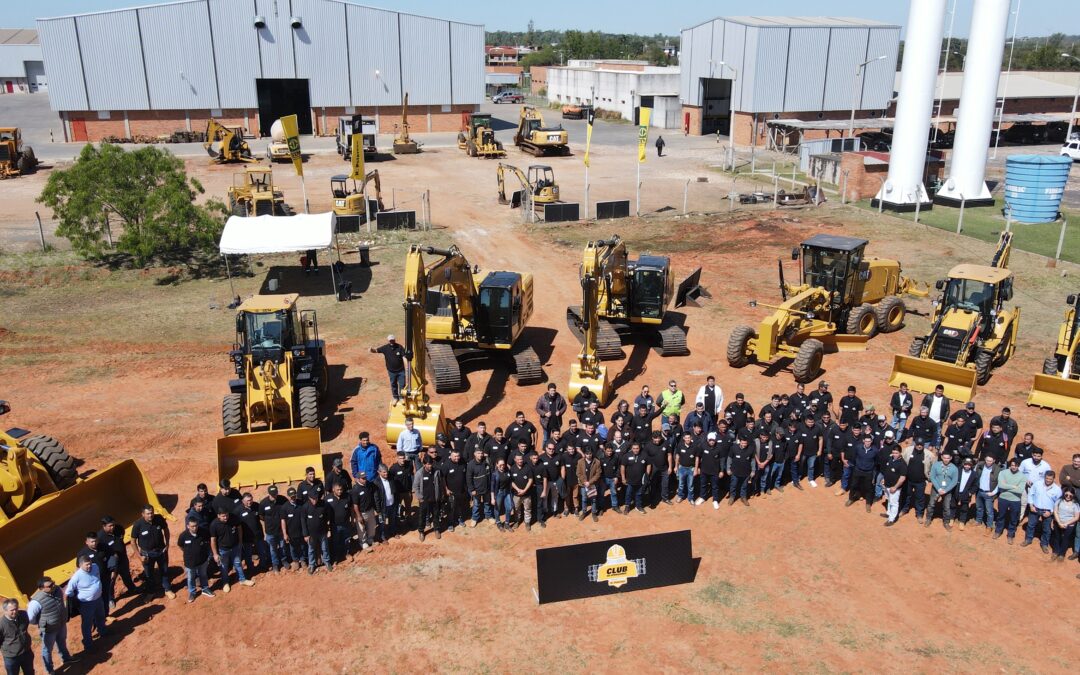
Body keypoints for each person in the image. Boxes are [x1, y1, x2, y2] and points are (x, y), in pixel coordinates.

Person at [27, 577, 76, 674]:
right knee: (47, 650)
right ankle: (49, 669)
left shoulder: (57, 589)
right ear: (41, 588)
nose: (53, 586)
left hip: (61, 623)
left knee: (62, 641)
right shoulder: (36, 601)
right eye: (49, 586)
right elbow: (31, 618)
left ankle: (66, 658)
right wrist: (41, 622)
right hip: (49, 629)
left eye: (53, 583)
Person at [65, 556, 107, 653]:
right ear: (80, 565)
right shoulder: (76, 577)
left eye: (90, 564)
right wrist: (76, 601)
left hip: (98, 599)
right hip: (86, 604)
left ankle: (103, 631)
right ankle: (88, 643)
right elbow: (69, 592)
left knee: (100, 616)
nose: (89, 566)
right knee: (87, 624)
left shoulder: (95, 566)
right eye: (87, 565)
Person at [131, 505, 174, 598]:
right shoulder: (138, 525)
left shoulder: (159, 519)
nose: (151, 515)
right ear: (143, 514)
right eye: (148, 514)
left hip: (161, 551)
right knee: (149, 574)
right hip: (147, 554)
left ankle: (167, 589)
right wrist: (139, 556)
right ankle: (151, 592)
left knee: (164, 571)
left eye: (152, 513)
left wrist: (167, 544)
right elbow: (133, 541)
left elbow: (166, 530)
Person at [209, 507, 254, 592]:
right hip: (223, 550)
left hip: (235, 547)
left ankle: (242, 579)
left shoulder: (234, 518)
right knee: (224, 567)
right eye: (223, 516)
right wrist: (215, 554)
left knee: (238, 563)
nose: (225, 517)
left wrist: (240, 541)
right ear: (218, 516)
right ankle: (225, 583)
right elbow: (213, 540)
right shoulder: (214, 525)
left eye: (226, 515)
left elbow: (239, 528)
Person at [97, 515, 137, 602]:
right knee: (111, 581)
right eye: (110, 526)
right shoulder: (100, 538)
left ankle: (132, 588)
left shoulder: (119, 529)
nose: (113, 527)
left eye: (113, 525)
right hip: (111, 564)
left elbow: (121, 536)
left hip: (123, 558)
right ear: (104, 526)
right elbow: (100, 554)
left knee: (126, 574)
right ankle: (110, 599)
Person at [176, 518, 214, 603]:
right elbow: (180, 546)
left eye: (196, 525)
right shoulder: (183, 536)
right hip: (190, 562)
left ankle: (205, 589)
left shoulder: (203, 532)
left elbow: (207, 543)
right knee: (191, 578)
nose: (195, 528)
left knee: (203, 575)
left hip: (202, 560)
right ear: (188, 526)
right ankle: (192, 592)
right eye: (192, 526)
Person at [1023, 471, 1061, 553]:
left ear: (1053, 479)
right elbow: (1031, 494)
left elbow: (1058, 503)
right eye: (1046, 478)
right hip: (1035, 508)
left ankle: (1044, 544)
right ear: (1044, 477)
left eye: (1050, 479)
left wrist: (1051, 512)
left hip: (1048, 512)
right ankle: (1028, 539)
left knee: (1047, 529)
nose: (1048, 480)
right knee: (1030, 525)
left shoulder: (1057, 490)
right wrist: (1031, 505)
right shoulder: (1037, 484)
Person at [994, 458, 1026, 543]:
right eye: (1012, 465)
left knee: (1014, 518)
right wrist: (1013, 486)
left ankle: (1010, 534)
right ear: (1010, 465)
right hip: (1003, 498)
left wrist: (1006, 486)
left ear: (1018, 466)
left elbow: (1020, 490)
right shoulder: (1003, 473)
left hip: (1015, 500)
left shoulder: (1023, 476)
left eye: (1016, 465)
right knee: (1001, 515)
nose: (1014, 467)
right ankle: (998, 531)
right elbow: (1000, 485)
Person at [300, 488, 332, 573]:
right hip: (311, 534)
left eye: (316, 498)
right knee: (311, 550)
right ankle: (311, 565)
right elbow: (303, 521)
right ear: (309, 498)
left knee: (325, 548)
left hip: (322, 532)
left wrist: (328, 530)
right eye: (313, 499)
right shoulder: (305, 507)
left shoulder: (324, 504)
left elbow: (328, 518)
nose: (315, 500)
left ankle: (327, 562)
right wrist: (305, 534)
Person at [413, 456, 444, 541]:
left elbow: (440, 483)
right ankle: (421, 531)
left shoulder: (436, 471)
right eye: (428, 464)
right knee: (422, 516)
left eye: (431, 464)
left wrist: (440, 495)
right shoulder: (419, 473)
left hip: (435, 499)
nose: (430, 466)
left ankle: (436, 529)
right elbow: (416, 486)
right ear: (424, 464)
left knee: (436, 515)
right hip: (424, 500)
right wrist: (420, 497)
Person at [926, 450, 959, 530]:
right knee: (931, 504)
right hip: (936, 488)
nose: (946, 460)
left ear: (951, 458)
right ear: (941, 457)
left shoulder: (954, 468)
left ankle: (946, 522)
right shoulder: (936, 465)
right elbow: (932, 477)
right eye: (944, 458)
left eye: (948, 458)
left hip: (947, 491)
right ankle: (928, 519)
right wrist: (938, 488)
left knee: (947, 507)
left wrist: (946, 490)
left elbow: (954, 481)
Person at [847, 435, 880, 512]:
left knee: (868, 488)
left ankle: (868, 503)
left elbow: (876, 461)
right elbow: (854, 457)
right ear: (863, 441)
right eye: (866, 441)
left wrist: (870, 467)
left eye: (869, 441)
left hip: (869, 472)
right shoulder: (858, 447)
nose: (867, 443)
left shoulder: (875, 450)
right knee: (853, 485)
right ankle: (851, 499)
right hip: (857, 470)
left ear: (871, 441)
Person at [259, 484, 287, 573]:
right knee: (273, 549)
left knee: (283, 547)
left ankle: (284, 560)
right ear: (269, 494)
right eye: (272, 494)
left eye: (275, 494)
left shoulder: (282, 500)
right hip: (270, 531)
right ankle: (275, 564)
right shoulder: (263, 503)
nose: (274, 496)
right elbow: (261, 516)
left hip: (281, 530)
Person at [1, 598, 34, 675]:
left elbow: (26, 626)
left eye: (16, 609)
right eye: (12, 610)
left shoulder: (23, 614)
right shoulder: (1, 625)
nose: (15, 611)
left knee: (30, 672)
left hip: (26, 652)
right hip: (12, 657)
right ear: (5, 611)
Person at [370, 335, 407, 403]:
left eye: (392, 340)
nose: (391, 341)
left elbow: (404, 357)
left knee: (402, 384)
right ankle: (395, 398)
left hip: (401, 371)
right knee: (393, 384)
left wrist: (407, 366)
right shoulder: (385, 348)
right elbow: (376, 350)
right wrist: (371, 350)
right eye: (390, 340)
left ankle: (402, 398)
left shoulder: (400, 347)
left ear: (394, 340)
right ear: (388, 341)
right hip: (391, 371)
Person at [233, 492, 263, 575]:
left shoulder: (256, 506)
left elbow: (261, 516)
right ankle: (250, 569)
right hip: (246, 537)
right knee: (248, 554)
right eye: (247, 501)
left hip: (258, 534)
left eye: (251, 500)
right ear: (243, 501)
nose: (249, 502)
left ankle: (263, 566)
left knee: (261, 551)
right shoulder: (238, 511)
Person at [325, 482, 355, 560]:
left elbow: (351, 508)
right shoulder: (327, 499)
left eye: (341, 490)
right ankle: (336, 557)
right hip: (334, 525)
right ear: (333, 489)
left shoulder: (347, 496)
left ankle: (347, 553)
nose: (339, 491)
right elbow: (324, 512)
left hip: (345, 523)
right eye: (337, 490)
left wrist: (352, 519)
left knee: (346, 539)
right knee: (336, 541)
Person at [902, 441, 929, 522]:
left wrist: (928, 478)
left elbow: (932, 466)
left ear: (924, 445)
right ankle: (904, 509)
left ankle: (919, 514)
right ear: (915, 444)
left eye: (921, 445)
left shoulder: (928, 454)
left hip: (921, 481)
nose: (919, 446)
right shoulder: (907, 450)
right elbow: (903, 462)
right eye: (918, 444)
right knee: (906, 495)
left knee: (920, 498)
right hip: (908, 480)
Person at [280, 487, 306, 571]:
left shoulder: (301, 504)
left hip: (302, 531)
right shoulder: (284, 507)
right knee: (293, 548)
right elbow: (283, 521)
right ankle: (295, 561)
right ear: (288, 496)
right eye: (291, 496)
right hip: (291, 532)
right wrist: (285, 534)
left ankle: (303, 560)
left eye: (294, 496)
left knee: (302, 546)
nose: (293, 498)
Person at [350, 472, 378, 551]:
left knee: (372, 526)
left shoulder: (369, 485)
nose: (365, 479)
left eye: (365, 478)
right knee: (361, 528)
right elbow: (355, 505)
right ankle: (363, 542)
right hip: (362, 512)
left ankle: (370, 539)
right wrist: (358, 516)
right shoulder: (355, 489)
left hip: (370, 510)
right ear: (358, 479)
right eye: (363, 478)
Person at [466, 447, 494, 527]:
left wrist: (491, 486)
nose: (480, 455)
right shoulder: (471, 464)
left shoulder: (487, 461)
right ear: (474, 454)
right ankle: (475, 518)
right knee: (476, 504)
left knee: (487, 503)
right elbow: (468, 478)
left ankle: (488, 516)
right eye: (478, 453)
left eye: (481, 453)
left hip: (487, 488)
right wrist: (472, 489)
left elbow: (492, 473)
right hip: (476, 489)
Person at [620, 442, 651, 514]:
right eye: (634, 448)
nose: (635, 450)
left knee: (639, 494)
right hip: (629, 480)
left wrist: (647, 474)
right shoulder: (626, 456)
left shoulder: (644, 455)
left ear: (639, 448)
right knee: (628, 494)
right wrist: (623, 478)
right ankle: (627, 506)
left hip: (640, 480)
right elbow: (622, 467)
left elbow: (649, 464)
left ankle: (638, 506)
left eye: (637, 448)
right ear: (631, 448)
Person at [881, 444, 907, 526]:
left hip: (894, 487)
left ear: (900, 453)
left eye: (896, 453)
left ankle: (892, 519)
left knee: (894, 503)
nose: (894, 454)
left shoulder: (902, 464)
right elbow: (887, 470)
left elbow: (902, 478)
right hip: (887, 485)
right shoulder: (890, 458)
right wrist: (884, 479)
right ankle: (888, 513)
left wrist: (895, 487)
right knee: (889, 500)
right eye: (893, 453)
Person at [975, 455, 1001, 534]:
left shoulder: (998, 469)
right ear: (985, 460)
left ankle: (989, 526)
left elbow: (999, 483)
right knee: (979, 508)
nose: (988, 462)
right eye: (987, 460)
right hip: (979, 491)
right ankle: (978, 521)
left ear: (994, 461)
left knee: (989, 511)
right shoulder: (980, 466)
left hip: (989, 493)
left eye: (990, 461)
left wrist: (993, 493)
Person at [387, 451, 414, 529]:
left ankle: (408, 522)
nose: (402, 460)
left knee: (408, 508)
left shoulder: (409, 465)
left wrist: (410, 490)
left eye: (403, 458)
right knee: (396, 509)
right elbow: (390, 481)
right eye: (400, 458)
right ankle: (397, 524)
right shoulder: (393, 469)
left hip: (407, 492)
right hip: (398, 493)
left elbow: (411, 475)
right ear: (397, 458)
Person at [509, 452, 535, 531]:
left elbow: (530, 480)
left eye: (521, 459)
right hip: (516, 494)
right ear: (515, 460)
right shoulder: (512, 469)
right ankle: (517, 521)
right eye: (518, 459)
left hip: (526, 494)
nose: (520, 461)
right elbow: (511, 481)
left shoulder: (527, 468)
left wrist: (524, 490)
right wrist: (518, 489)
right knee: (516, 509)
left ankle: (527, 522)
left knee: (527, 509)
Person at [1051, 490, 1079, 562]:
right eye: (1066, 495)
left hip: (1069, 525)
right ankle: (1056, 551)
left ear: (1073, 495)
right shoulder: (1059, 501)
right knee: (1057, 537)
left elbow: (1076, 517)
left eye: (1070, 495)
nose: (1068, 497)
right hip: (1058, 522)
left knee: (1065, 539)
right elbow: (1055, 512)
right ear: (1064, 494)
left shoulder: (1076, 505)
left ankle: (1062, 554)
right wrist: (1059, 522)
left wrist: (1066, 523)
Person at [577, 446, 602, 521]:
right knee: (584, 499)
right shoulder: (580, 462)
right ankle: (584, 512)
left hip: (593, 484)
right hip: (583, 484)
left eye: (590, 453)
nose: (589, 455)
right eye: (587, 454)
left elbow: (598, 474)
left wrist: (590, 482)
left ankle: (594, 513)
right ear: (584, 454)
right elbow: (578, 473)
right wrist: (585, 482)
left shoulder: (597, 462)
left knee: (593, 499)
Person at [372, 464, 397, 541]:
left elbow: (394, 490)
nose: (386, 474)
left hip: (392, 504)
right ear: (379, 472)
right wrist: (378, 510)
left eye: (387, 472)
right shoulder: (376, 482)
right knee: (382, 523)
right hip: (383, 506)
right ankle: (382, 537)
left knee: (392, 520)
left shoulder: (391, 478)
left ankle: (392, 532)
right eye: (384, 472)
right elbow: (376, 498)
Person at [953, 457, 979, 530]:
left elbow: (975, 485)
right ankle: (952, 518)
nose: (967, 466)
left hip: (966, 493)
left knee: (964, 508)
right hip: (956, 491)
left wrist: (971, 492)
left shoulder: (974, 474)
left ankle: (962, 521)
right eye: (966, 464)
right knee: (953, 505)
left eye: (969, 465)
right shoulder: (958, 470)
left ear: (971, 466)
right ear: (963, 464)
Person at [727, 437, 754, 506]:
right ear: (740, 442)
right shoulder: (734, 448)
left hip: (746, 472)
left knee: (744, 486)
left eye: (745, 443)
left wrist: (753, 470)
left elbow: (753, 461)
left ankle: (743, 497)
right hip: (735, 471)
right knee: (733, 485)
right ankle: (732, 497)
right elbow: (729, 458)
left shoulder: (751, 449)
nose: (744, 444)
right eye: (742, 443)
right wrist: (728, 468)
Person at [491, 458, 514, 531]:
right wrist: (492, 498)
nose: (502, 466)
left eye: (503, 464)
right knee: (497, 508)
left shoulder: (507, 472)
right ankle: (498, 522)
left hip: (507, 492)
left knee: (509, 507)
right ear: (497, 465)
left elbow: (510, 482)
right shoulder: (494, 474)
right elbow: (492, 487)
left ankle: (507, 523)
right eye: (500, 465)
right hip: (499, 493)